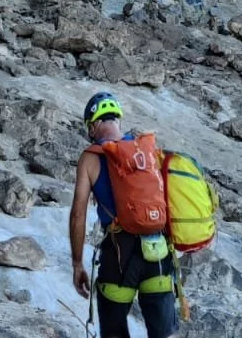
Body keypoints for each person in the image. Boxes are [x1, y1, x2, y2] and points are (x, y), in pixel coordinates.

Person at [69, 92, 179, 338]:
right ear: (117, 120)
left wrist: (77, 264)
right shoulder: (147, 151)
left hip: (118, 256)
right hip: (158, 253)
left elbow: (78, 214)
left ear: (94, 125)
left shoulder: (91, 158)